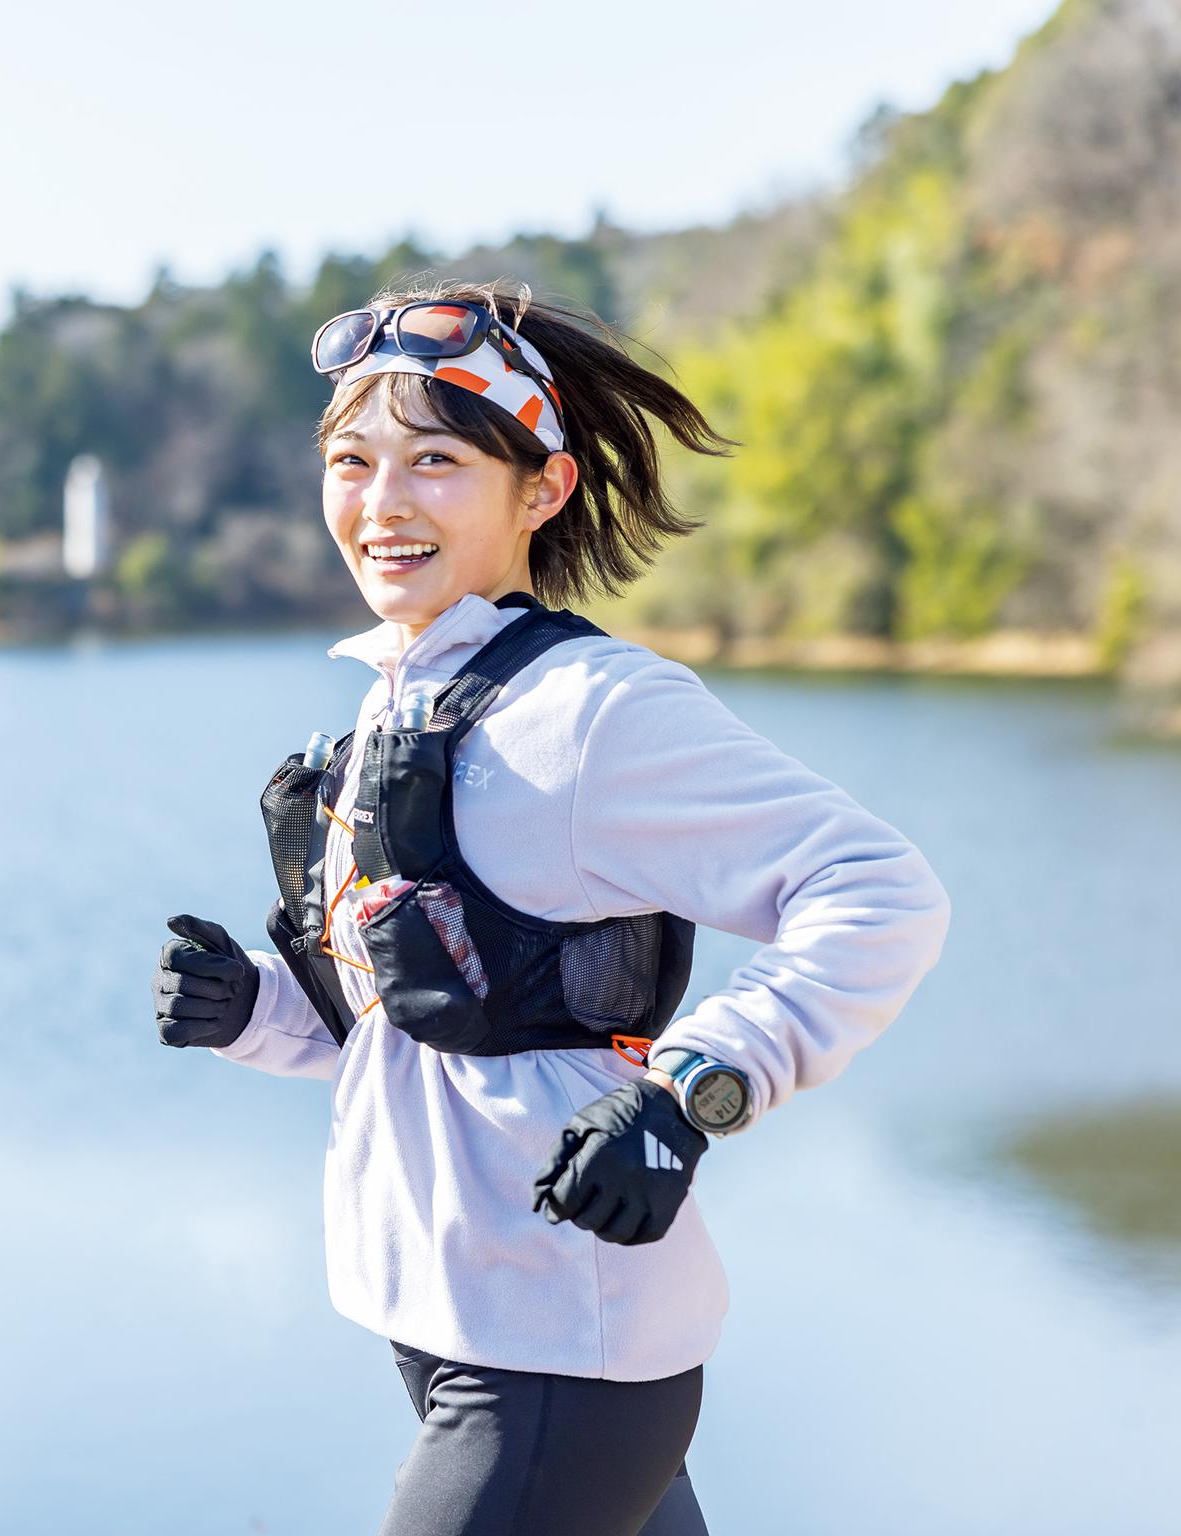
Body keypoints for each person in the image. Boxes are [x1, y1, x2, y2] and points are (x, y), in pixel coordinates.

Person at [151, 278, 952, 1535]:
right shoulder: (394, 710)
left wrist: (695, 1091)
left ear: (544, 488)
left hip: (558, 1360)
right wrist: (254, 1008)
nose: (383, 502)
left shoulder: (593, 713)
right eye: (353, 460)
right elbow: (460, 1030)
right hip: (455, 1329)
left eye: (436, 461)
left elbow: (880, 891)